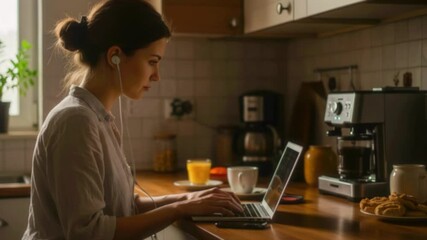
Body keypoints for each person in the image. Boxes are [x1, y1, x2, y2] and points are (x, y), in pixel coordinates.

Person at [22, 0, 243, 239]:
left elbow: (125, 207)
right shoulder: (76, 121)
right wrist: (179, 209)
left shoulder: (96, 118)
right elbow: (89, 232)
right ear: (115, 56)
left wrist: (187, 198)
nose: (156, 76)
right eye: (152, 62)